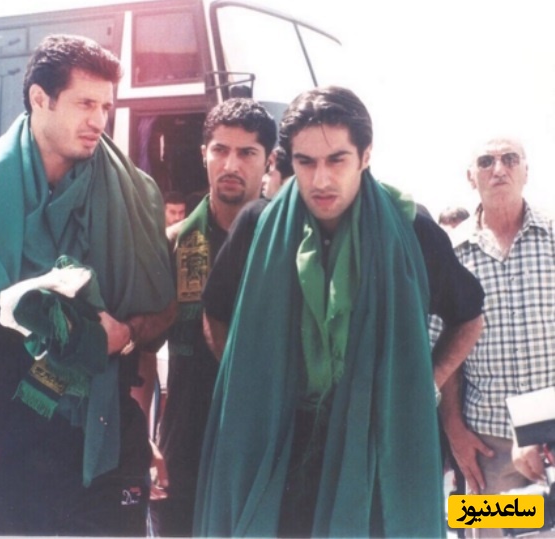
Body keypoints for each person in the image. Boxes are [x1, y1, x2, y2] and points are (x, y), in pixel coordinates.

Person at [195, 86, 484, 538]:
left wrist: (422, 382)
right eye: (306, 162)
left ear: (365, 156)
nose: (321, 180)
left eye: (337, 160)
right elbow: (214, 311)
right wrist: (250, 383)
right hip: (282, 445)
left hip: (379, 442)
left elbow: (468, 316)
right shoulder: (258, 226)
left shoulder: (411, 228)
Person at [0, 34, 176, 536]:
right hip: (5, 433)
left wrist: (125, 336)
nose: (99, 120)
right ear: (39, 98)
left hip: (103, 430)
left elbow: (163, 311)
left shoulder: (134, 192)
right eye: (85, 104)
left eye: (106, 106)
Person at [151, 97, 276, 537]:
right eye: (220, 150)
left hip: (269, 448)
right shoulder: (172, 244)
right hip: (186, 449)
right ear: (204, 154)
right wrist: (145, 441)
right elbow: (144, 354)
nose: (231, 164)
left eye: (247, 153)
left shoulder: (294, 247)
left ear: (269, 160)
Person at [431, 136, 555, 538]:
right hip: (485, 449)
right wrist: (454, 429)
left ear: (526, 171)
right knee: (486, 532)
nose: (498, 169)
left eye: (510, 159)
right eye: (486, 161)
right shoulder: (450, 252)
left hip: (554, 437)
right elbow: (441, 350)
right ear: (471, 176)